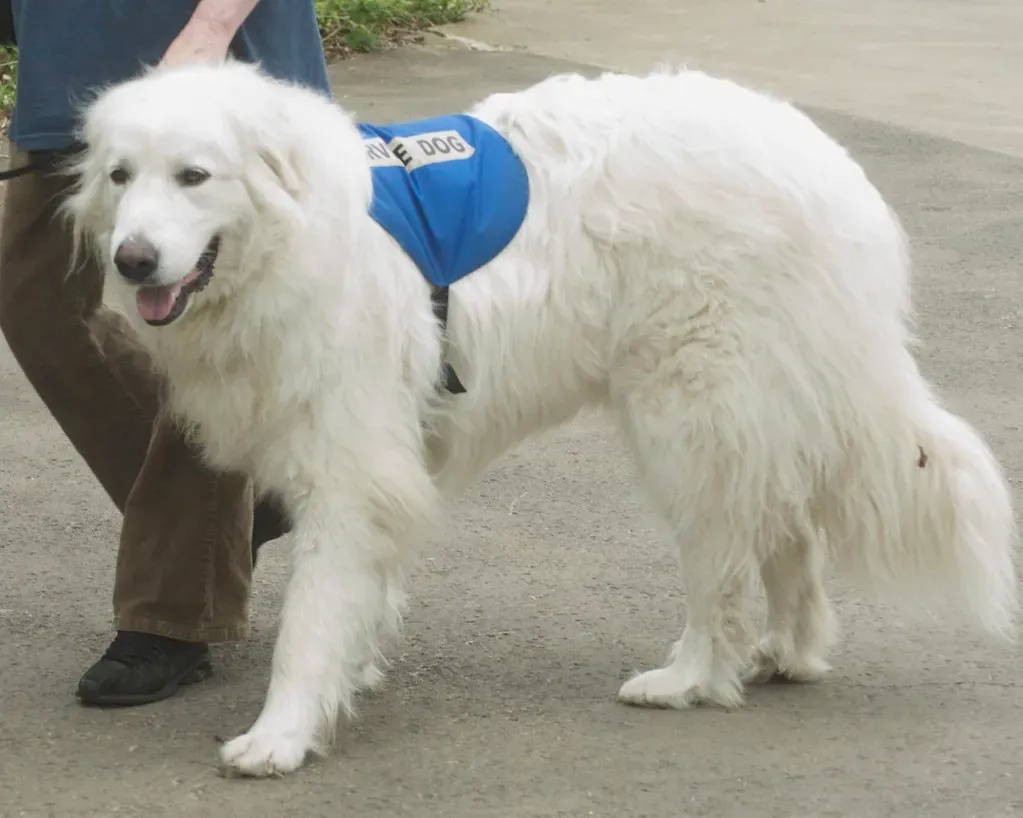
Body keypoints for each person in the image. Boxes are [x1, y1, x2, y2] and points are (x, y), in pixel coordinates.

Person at [0, 0, 332, 706]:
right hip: (66, 54)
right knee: (36, 299)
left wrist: (210, 30)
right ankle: (241, 510)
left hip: (204, 67)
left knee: (208, 337)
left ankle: (174, 607)